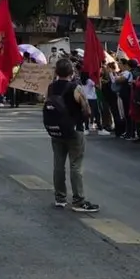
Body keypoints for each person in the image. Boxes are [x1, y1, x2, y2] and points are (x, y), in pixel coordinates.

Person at [44, 58, 98, 212]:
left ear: (56, 72)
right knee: (76, 165)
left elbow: (47, 105)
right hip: (74, 131)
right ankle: (78, 199)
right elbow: (87, 110)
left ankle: (60, 198)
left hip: (56, 131)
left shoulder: (51, 87)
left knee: (58, 165)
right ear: (72, 73)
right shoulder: (76, 88)